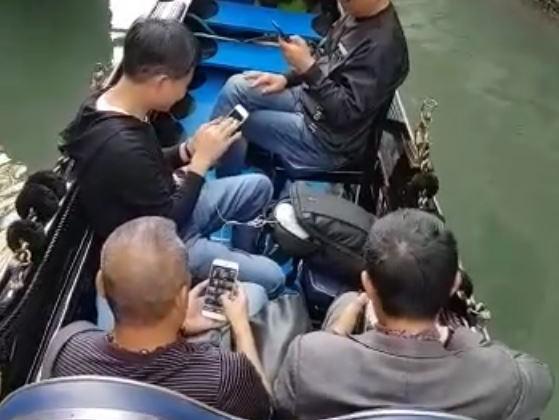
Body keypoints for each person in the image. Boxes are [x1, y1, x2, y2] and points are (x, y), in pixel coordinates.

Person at [59, 18, 284, 297]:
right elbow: (168, 224)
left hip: (169, 201)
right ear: (162, 83)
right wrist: (201, 163)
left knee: (259, 187)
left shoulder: (108, 105)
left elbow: (148, 164)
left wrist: (188, 150)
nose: (183, 93)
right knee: (273, 278)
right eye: (184, 85)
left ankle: (239, 254)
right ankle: (223, 282)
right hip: (160, 244)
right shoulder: (120, 146)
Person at [274, 209, 553, 420]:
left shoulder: (308, 360)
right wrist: (461, 337)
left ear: (368, 284)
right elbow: (541, 380)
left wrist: (335, 334)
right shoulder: (500, 380)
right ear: (454, 285)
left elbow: (283, 406)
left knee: (345, 301)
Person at [48, 217, 271, 420]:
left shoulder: (67, 346)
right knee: (257, 294)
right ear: (182, 296)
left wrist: (179, 325)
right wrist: (240, 327)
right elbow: (265, 411)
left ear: (101, 287)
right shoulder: (227, 376)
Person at [211, 0, 409, 177]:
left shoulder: (383, 50)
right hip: (309, 98)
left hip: (325, 138)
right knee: (236, 86)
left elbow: (346, 114)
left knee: (235, 122)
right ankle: (206, 157)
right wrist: (286, 78)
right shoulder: (357, 13)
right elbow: (326, 58)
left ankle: (227, 186)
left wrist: (308, 68)